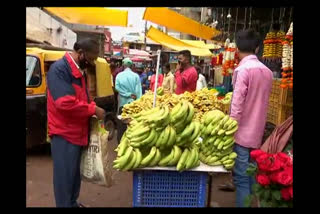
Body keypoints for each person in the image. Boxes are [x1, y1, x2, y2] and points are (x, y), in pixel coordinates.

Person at [46, 38, 106, 207]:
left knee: (74, 177)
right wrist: (92, 110)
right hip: (64, 134)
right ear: (81, 53)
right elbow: (65, 103)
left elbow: (82, 98)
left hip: (77, 132)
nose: (93, 62)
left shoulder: (79, 71)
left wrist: (92, 106)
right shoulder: (60, 70)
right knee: (64, 178)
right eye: (92, 58)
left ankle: (72, 203)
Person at [230, 29, 273, 207]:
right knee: (252, 178)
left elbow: (237, 104)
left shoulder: (243, 70)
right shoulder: (268, 72)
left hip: (241, 134)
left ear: (237, 49)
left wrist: (229, 129)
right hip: (257, 135)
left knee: (240, 179)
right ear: (257, 48)